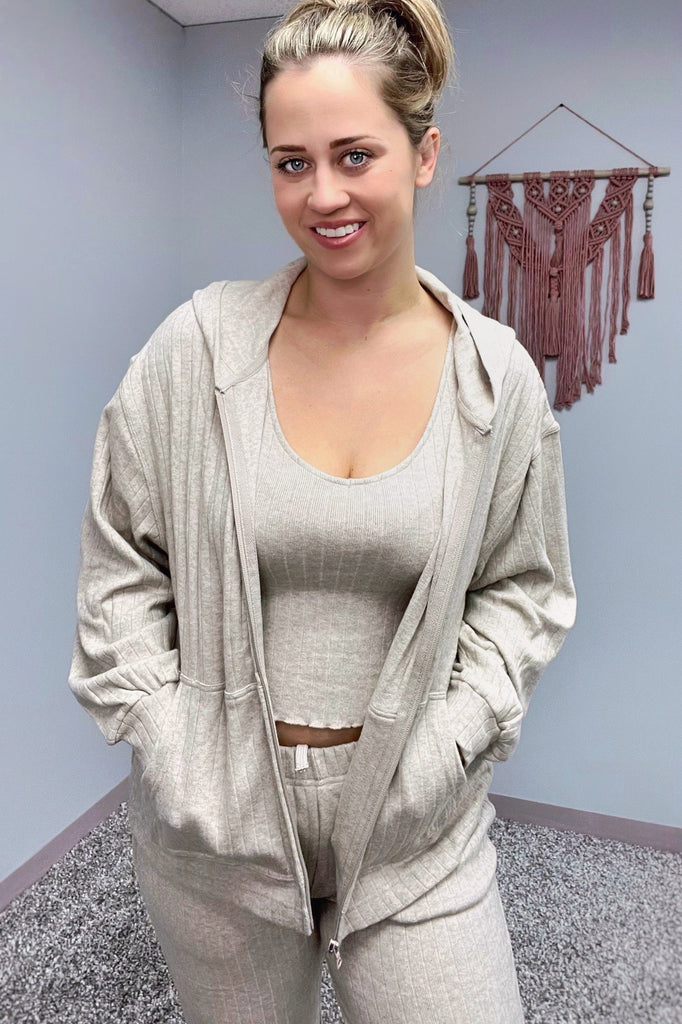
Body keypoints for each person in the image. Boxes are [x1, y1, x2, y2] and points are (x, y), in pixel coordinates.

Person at [68, 1, 576, 1021]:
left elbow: (523, 587)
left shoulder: (497, 381)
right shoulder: (194, 351)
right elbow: (121, 563)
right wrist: (172, 748)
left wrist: (449, 745)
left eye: (354, 155)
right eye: (290, 162)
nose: (323, 194)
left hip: (415, 827)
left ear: (423, 154)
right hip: (218, 835)